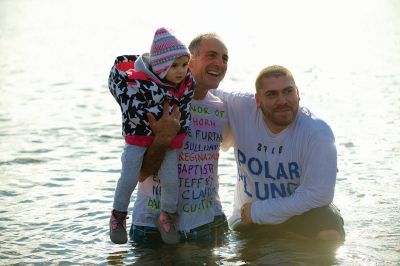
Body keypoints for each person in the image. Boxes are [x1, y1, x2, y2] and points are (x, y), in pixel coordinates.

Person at [213, 65, 345, 241]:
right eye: (272, 94)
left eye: (288, 91)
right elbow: (199, 87)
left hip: (292, 214)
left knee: (330, 231)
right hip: (247, 218)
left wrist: (260, 210)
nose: (282, 100)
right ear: (258, 100)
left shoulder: (317, 131)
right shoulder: (241, 108)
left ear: (298, 93)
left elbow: (319, 195)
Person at [128, 32, 230, 244]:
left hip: (209, 221)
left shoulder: (221, 107)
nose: (220, 63)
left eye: (225, 58)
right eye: (211, 55)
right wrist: (164, 138)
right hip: (153, 227)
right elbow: (140, 173)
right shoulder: (159, 102)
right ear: (189, 61)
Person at [108, 27, 194, 244]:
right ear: (161, 66)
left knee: (171, 181)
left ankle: (167, 217)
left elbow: (184, 112)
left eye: (184, 65)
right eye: (174, 66)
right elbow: (133, 111)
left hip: (170, 139)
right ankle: (118, 216)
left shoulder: (185, 86)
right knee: (128, 177)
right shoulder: (136, 84)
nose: (181, 70)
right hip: (138, 139)